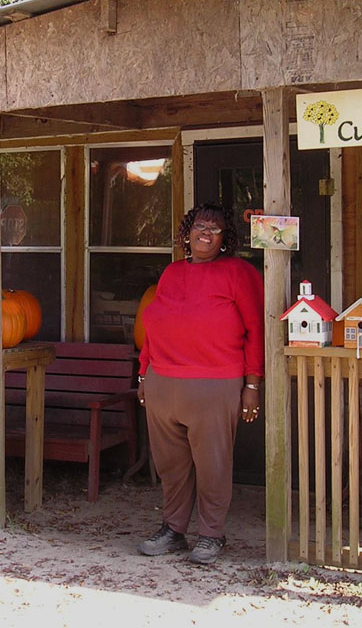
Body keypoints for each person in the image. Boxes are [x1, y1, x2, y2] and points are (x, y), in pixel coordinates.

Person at [136, 202, 264, 565]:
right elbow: (153, 328)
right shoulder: (172, 273)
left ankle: (211, 534)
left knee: (213, 464)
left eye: (214, 229)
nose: (205, 233)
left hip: (215, 382)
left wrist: (252, 384)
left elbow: (256, 330)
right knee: (172, 465)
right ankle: (173, 529)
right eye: (199, 227)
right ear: (188, 234)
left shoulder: (238, 273)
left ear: (225, 240)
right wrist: (144, 374)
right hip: (164, 381)